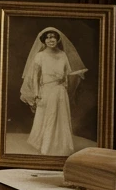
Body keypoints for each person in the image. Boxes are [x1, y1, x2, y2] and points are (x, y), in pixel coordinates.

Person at [19, 27, 88, 156]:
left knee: (60, 117)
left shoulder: (62, 55)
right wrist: (36, 93)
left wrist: (65, 87)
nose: (51, 40)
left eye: (53, 37)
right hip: (46, 90)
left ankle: (61, 147)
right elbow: (35, 76)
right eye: (48, 37)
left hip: (60, 91)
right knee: (47, 117)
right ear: (44, 41)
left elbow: (67, 74)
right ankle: (45, 147)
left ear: (57, 39)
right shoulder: (40, 56)